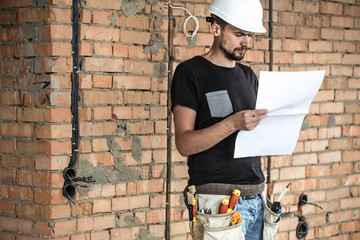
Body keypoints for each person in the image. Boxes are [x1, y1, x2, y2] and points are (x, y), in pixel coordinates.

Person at [171, 0, 270, 239]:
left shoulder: (248, 76)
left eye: (249, 35)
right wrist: (232, 123)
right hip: (218, 204)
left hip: (257, 197)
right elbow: (184, 144)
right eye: (238, 34)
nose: (246, 42)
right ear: (216, 28)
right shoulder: (189, 73)